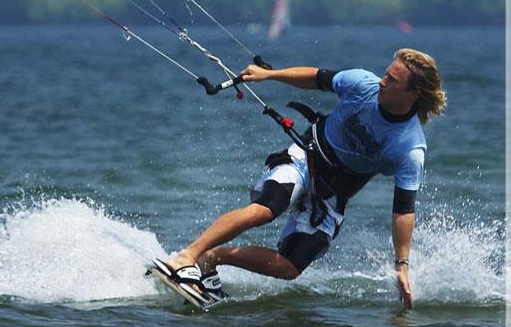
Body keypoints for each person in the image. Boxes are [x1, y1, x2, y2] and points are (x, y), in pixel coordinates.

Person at [159, 48, 446, 309]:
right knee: (265, 210)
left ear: (413, 94)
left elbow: (404, 210)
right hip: (306, 156)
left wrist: (402, 266)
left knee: (290, 268)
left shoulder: (409, 147)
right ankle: (187, 256)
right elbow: (315, 77)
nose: (382, 81)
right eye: (386, 74)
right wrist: (269, 75)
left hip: (333, 192)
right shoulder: (362, 85)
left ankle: (214, 256)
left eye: (392, 80)